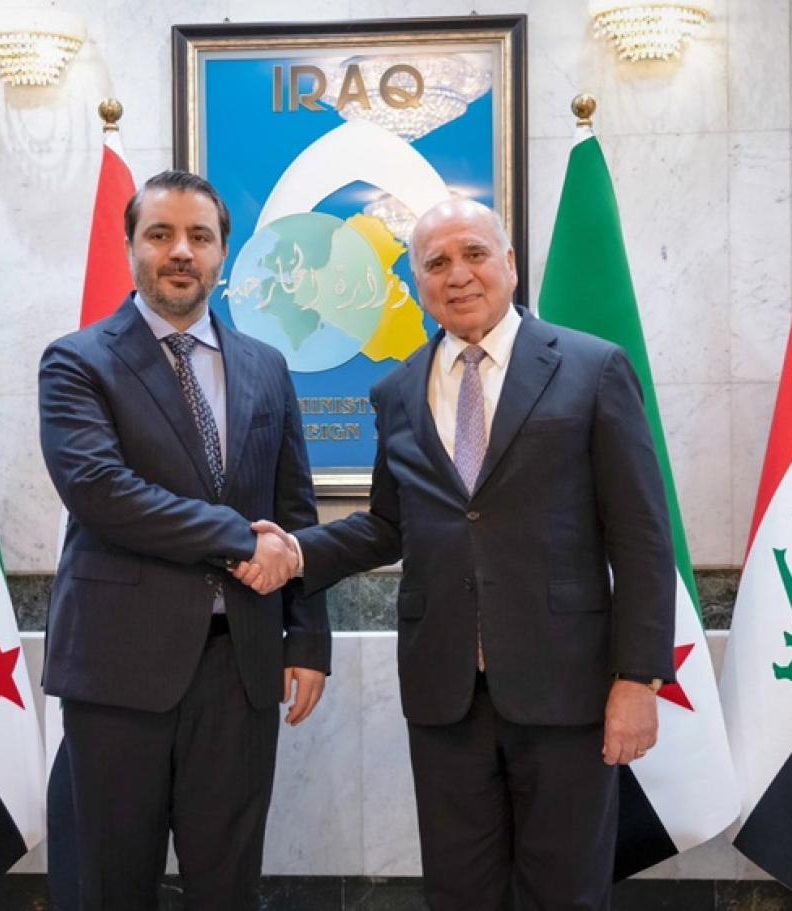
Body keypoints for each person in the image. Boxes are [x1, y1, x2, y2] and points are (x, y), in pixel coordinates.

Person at [236, 198, 675, 910]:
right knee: (458, 891)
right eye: (436, 262)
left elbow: (643, 536)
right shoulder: (397, 390)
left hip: (567, 686)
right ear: (417, 282)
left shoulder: (592, 368)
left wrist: (639, 678)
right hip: (445, 693)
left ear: (510, 263)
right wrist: (295, 552)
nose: (458, 274)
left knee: (564, 891)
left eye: (474, 253)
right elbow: (388, 524)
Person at [38, 169, 331, 911]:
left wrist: (307, 638)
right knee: (113, 885)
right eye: (160, 234)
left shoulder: (266, 366)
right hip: (117, 666)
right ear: (131, 246)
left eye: (199, 236)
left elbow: (294, 509)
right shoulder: (77, 361)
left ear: (223, 253)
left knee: (228, 886)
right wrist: (240, 540)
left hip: (241, 666)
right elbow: (102, 492)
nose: (180, 251)